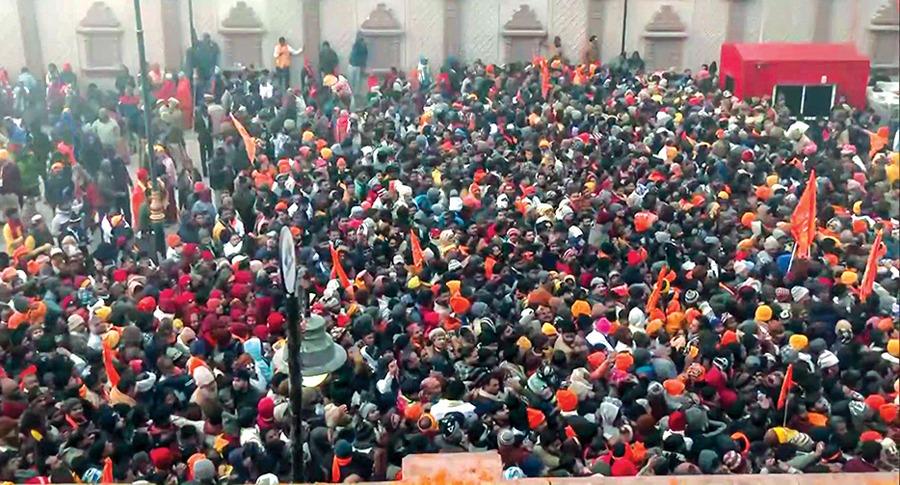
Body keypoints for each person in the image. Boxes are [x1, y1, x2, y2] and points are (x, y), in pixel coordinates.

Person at [349, 34, 368, 105]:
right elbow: (364, 57)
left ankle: (353, 97)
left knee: (353, 82)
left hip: (353, 65)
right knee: (356, 83)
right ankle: (355, 97)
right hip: (357, 66)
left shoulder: (357, 45)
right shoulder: (362, 46)